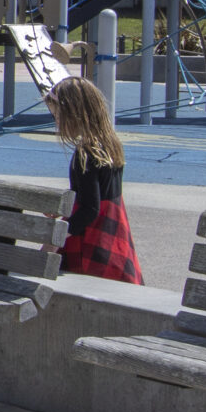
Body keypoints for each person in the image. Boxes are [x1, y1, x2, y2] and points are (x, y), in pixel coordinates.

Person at [47, 77, 143, 282]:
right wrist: (63, 205)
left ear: (75, 114)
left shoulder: (85, 154)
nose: (57, 122)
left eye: (59, 116)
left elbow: (90, 208)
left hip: (91, 238)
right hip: (113, 229)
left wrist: (57, 238)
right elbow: (91, 193)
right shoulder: (110, 145)